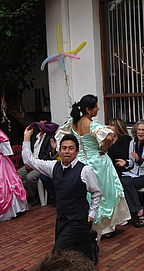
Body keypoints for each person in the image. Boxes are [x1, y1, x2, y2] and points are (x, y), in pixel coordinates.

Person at [54, 94, 131, 239]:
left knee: (87, 195)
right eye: (96, 106)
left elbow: (59, 136)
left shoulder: (73, 122)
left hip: (81, 162)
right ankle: (105, 228)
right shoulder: (92, 124)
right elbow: (108, 137)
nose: (98, 108)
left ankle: (89, 225)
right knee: (103, 193)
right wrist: (104, 148)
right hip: (97, 161)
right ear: (88, 109)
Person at [22, 128, 103, 265]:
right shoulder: (53, 167)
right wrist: (26, 138)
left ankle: (87, 239)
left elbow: (97, 193)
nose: (67, 151)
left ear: (77, 152)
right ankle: (89, 244)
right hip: (62, 218)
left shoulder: (85, 170)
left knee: (57, 253)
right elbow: (30, 161)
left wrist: (92, 213)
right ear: (59, 151)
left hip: (79, 219)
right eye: (64, 148)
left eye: (71, 148)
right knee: (70, 250)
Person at [116, 119, 144, 228]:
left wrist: (139, 160)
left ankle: (139, 211)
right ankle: (135, 209)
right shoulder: (133, 142)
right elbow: (132, 162)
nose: (141, 132)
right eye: (139, 130)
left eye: (143, 130)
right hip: (135, 174)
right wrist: (125, 162)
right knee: (121, 181)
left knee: (128, 183)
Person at [17, 115, 58, 206]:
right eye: (40, 124)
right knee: (17, 175)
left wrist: (53, 150)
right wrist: (27, 163)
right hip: (30, 162)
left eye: (44, 124)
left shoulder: (50, 137)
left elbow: (50, 156)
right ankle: (26, 195)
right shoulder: (35, 136)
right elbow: (29, 150)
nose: (41, 127)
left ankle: (34, 197)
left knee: (30, 178)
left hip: (40, 164)